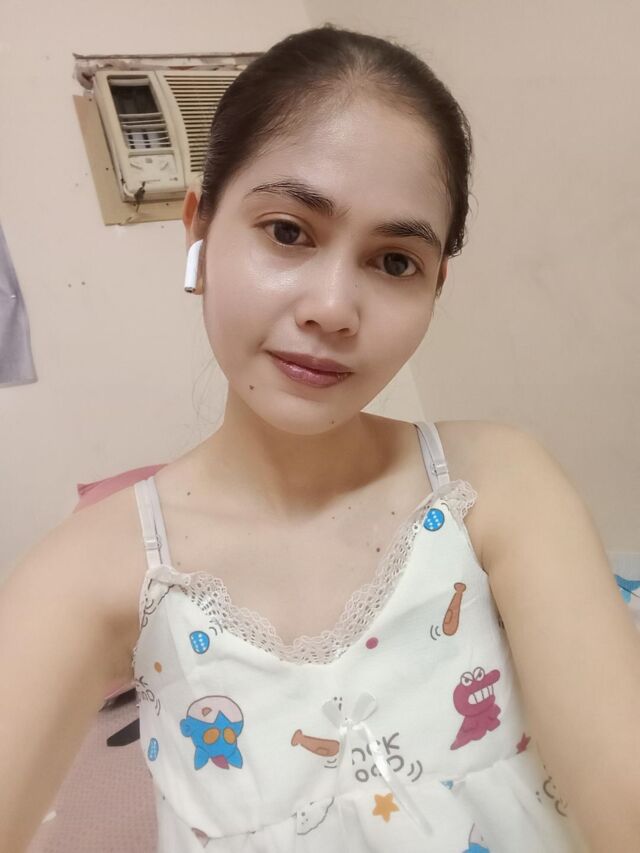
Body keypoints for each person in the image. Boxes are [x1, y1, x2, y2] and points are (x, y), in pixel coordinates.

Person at [1, 23, 639, 853]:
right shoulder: (90, 569)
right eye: (288, 231)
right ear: (199, 230)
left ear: (435, 285)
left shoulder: (497, 483)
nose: (333, 308)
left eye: (395, 261)